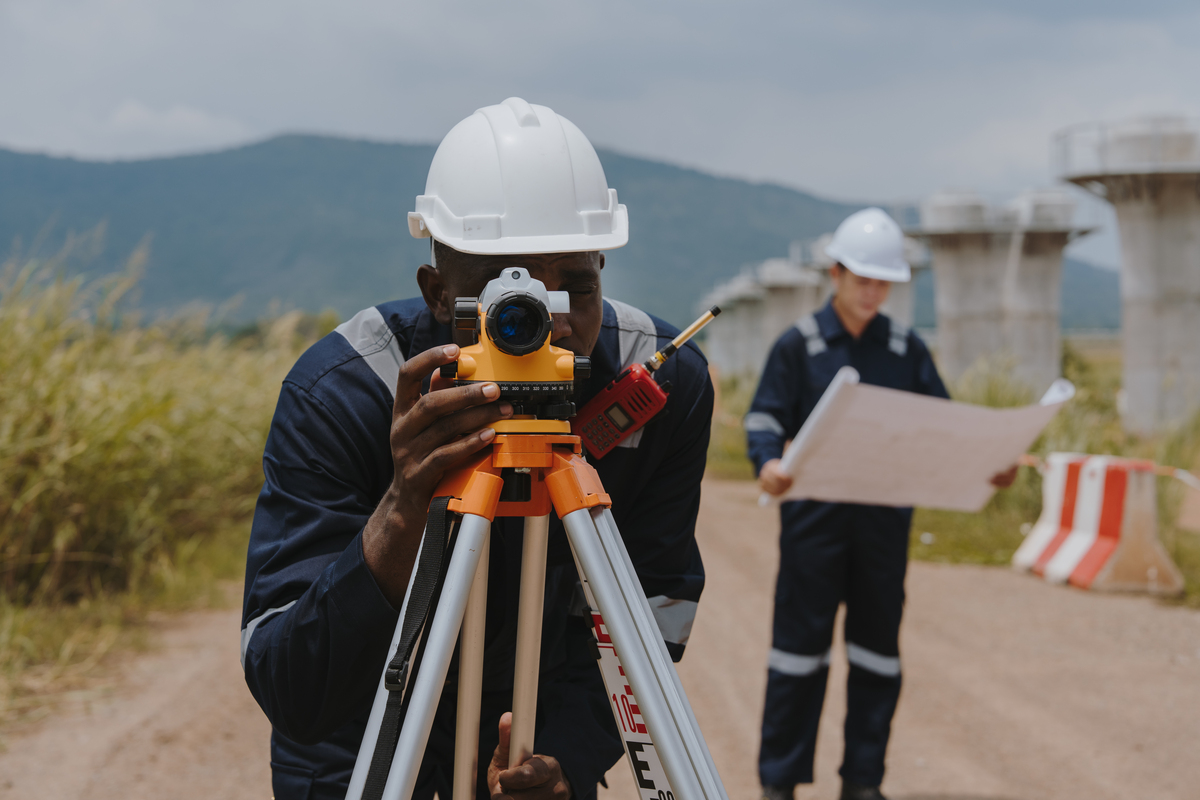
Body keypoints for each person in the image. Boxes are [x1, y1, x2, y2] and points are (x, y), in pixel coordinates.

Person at [240, 98, 714, 800]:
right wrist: (404, 503)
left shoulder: (660, 384)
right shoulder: (346, 391)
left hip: (537, 726)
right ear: (438, 293)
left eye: (575, 289)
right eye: (508, 301)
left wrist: (566, 758)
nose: (548, 326)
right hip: (362, 738)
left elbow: (651, 615)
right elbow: (295, 688)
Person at [746, 208, 1016, 800]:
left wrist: (987, 463)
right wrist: (766, 461)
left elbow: (944, 427)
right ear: (836, 273)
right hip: (814, 525)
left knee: (877, 659)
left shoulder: (904, 348)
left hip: (883, 527)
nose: (873, 292)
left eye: (883, 281)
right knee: (797, 658)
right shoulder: (800, 346)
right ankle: (779, 784)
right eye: (862, 278)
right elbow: (765, 417)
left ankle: (863, 784)